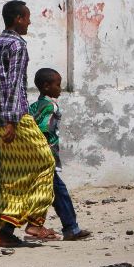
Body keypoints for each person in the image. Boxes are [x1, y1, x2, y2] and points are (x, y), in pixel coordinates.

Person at [0, 0, 57, 248]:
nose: (30, 22)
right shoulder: (17, 45)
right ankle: (34, 222)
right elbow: (12, 84)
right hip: (14, 116)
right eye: (27, 17)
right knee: (45, 162)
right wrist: (11, 121)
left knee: (2, 174)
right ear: (18, 19)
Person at [29, 68, 92, 241]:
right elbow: (42, 128)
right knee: (59, 191)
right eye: (58, 84)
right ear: (46, 86)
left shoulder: (34, 105)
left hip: (34, 156)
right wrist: (46, 148)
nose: (60, 88)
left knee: (48, 192)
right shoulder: (50, 106)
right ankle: (70, 228)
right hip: (46, 156)